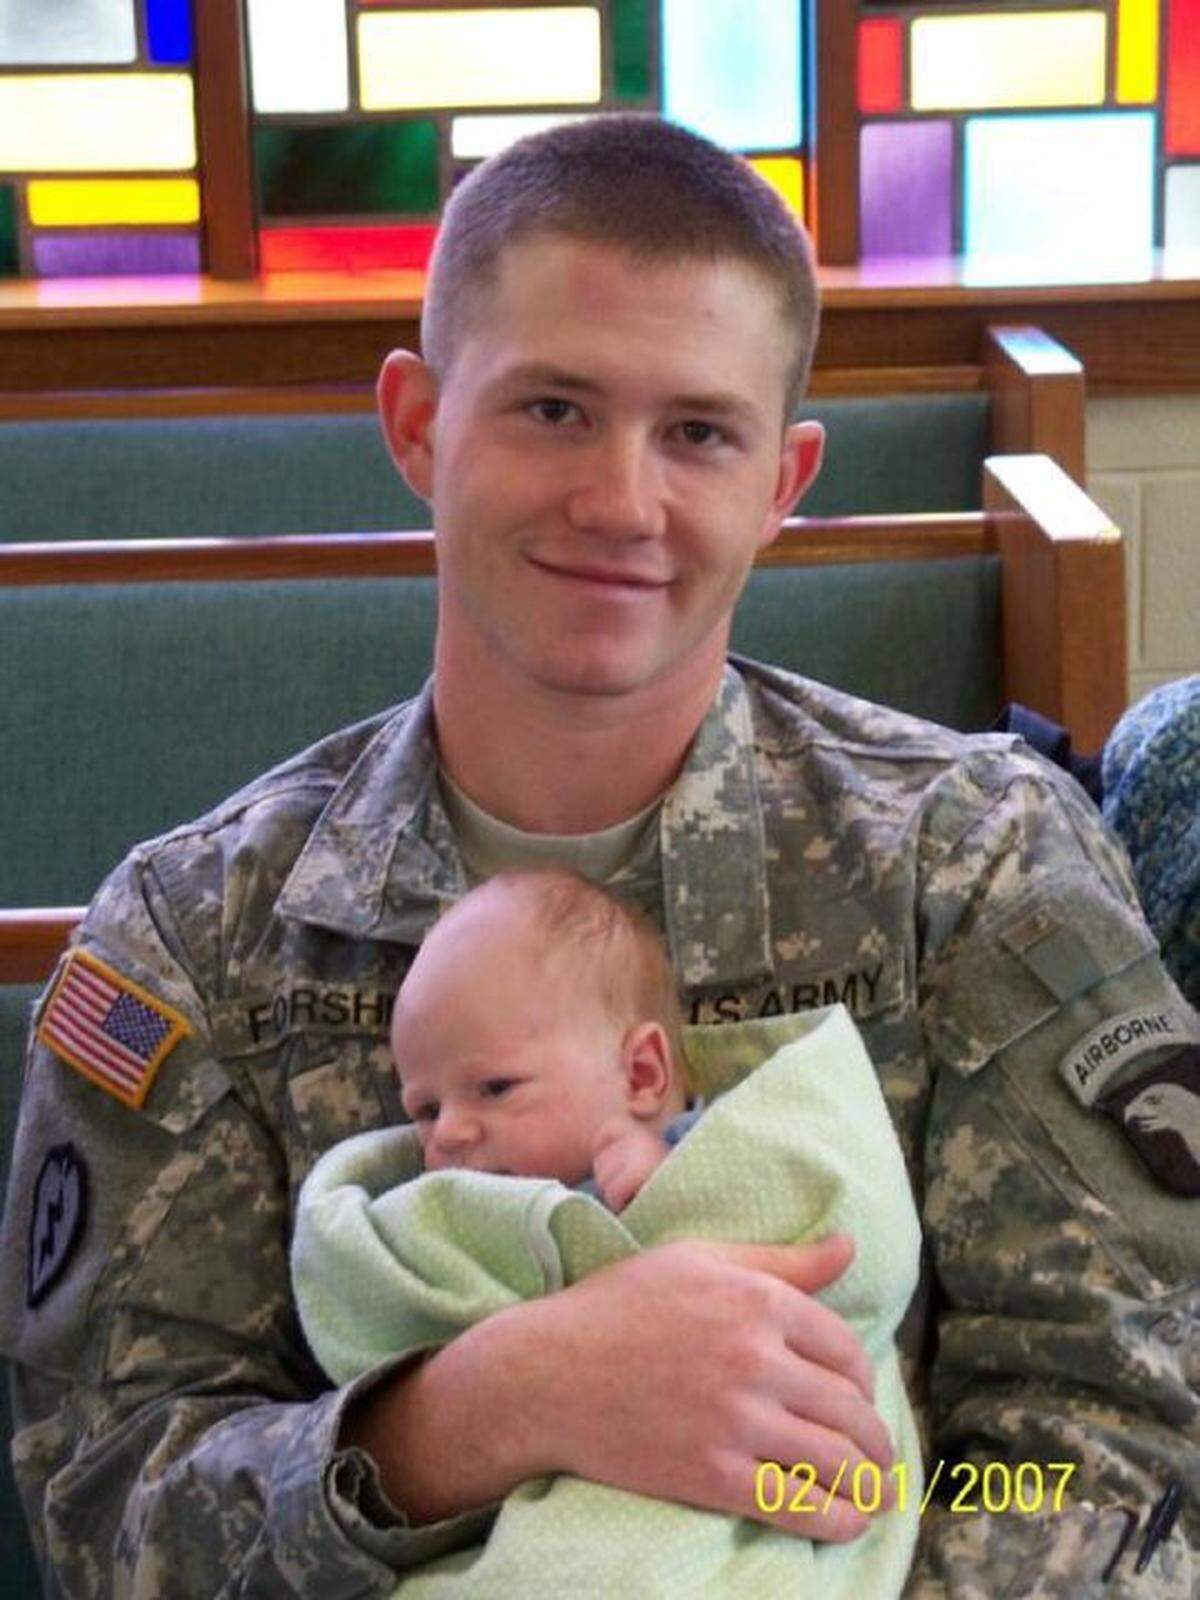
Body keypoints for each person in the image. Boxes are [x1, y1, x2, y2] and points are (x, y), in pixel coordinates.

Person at [0, 111, 1196, 1598]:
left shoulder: (973, 867)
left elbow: (1125, 1437)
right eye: (554, 409)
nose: (621, 502)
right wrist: (478, 1412)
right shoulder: (199, 935)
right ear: (418, 425)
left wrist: (877, 1517)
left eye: (698, 433)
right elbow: (105, 1503)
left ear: (782, 480)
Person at [290, 868, 923, 1596]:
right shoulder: (449, 1208)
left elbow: (823, 1232)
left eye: (495, 1088)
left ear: (642, 1075)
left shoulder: (719, 1145)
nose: (451, 1134)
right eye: (425, 1110)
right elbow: (376, 1306)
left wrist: (662, 1189)